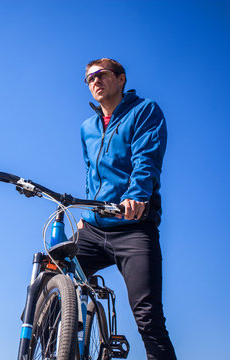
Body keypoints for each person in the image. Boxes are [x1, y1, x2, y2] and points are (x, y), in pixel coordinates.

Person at [74, 58, 177, 360]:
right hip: (94, 228)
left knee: (148, 319)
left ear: (120, 79)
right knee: (58, 273)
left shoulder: (144, 111)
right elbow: (90, 173)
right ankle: (64, 337)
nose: (95, 81)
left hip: (132, 226)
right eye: (89, 78)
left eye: (101, 75)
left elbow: (146, 160)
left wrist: (136, 197)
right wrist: (84, 218)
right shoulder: (87, 129)